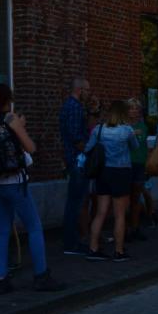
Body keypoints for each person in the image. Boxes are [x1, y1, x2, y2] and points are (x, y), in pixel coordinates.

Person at [0, 84, 65, 295]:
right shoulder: (10, 119)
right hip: (14, 182)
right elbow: (31, 148)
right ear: (7, 101)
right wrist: (20, 127)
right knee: (33, 226)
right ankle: (41, 275)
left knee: (1, 230)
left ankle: (1, 278)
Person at [84, 100, 139, 262]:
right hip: (121, 172)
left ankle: (93, 248)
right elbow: (135, 147)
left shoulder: (98, 129)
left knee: (100, 212)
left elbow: (88, 149)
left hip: (103, 173)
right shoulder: (127, 130)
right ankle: (119, 251)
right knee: (119, 215)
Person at [60, 77, 91, 255]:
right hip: (77, 161)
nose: (89, 93)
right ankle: (71, 243)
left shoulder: (72, 106)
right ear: (79, 90)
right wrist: (88, 150)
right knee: (75, 203)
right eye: (87, 90)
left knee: (75, 201)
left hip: (75, 159)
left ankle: (71, 241)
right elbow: (75, 137)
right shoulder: (74, 107)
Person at [126, 98, 149, 242]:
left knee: (136, 197)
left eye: (136, 108)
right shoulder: (123, 126)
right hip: (126, 165)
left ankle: (135, 228)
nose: (134, 111)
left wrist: (146, 163)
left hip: (139, 164)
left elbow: (144, 146)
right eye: (131, 108)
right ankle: (125, 229)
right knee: (125, 199)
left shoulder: (143, 126)